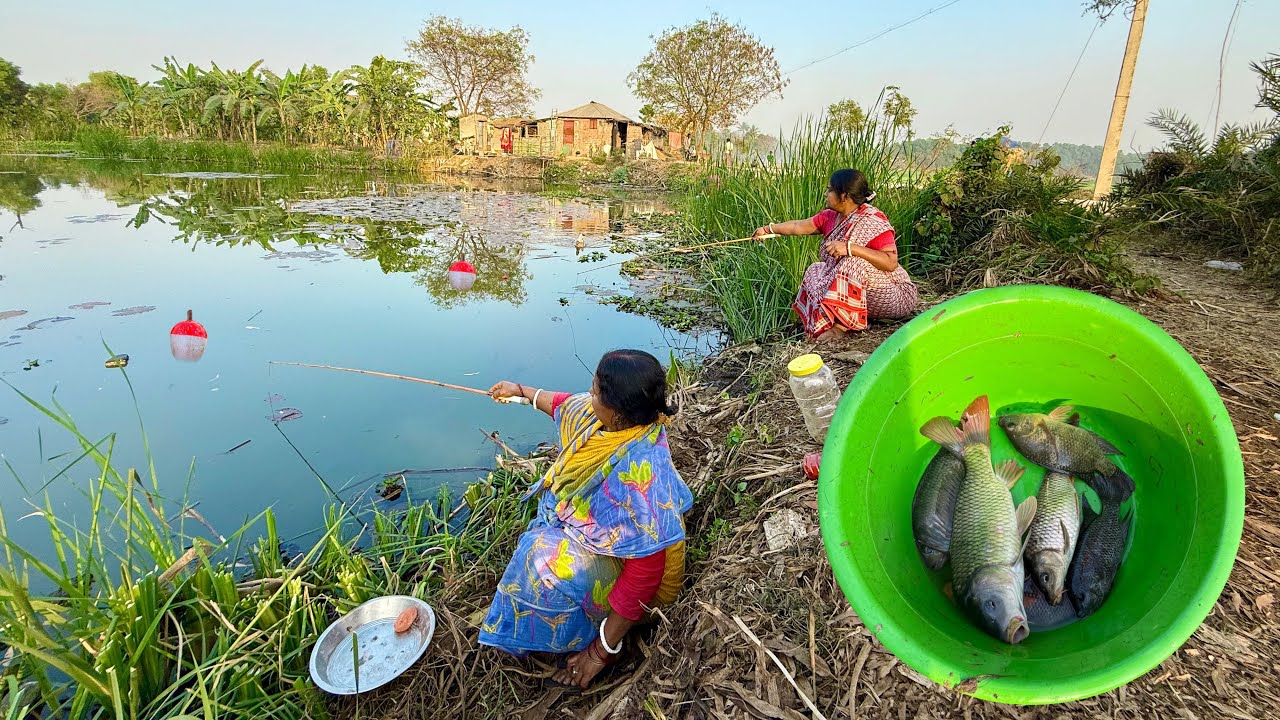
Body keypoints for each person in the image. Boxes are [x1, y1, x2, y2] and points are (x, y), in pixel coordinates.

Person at [481, 350, 692, 690]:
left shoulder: (638, 473)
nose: (588, 395)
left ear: (618, 415)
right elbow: (565, 404)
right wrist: (519, 391)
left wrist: (601, 650)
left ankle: (588, 636)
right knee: (546, 528)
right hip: (618, 551)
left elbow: (646, 572)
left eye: (595, 391)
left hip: (636, 579)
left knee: (541, 558)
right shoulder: (613, 421)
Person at [753, 169, 919, 341]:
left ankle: (841, 327)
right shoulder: (831, 217)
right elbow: (798, 226)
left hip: (893, 294)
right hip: (865, 295)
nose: (826, 194)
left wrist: (849, 248)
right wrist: (767, 230)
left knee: (853, 263)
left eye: (829, 190)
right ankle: (822, 322)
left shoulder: (872, 220)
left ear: (844, 196)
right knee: (815, 269)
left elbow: (890, 263)